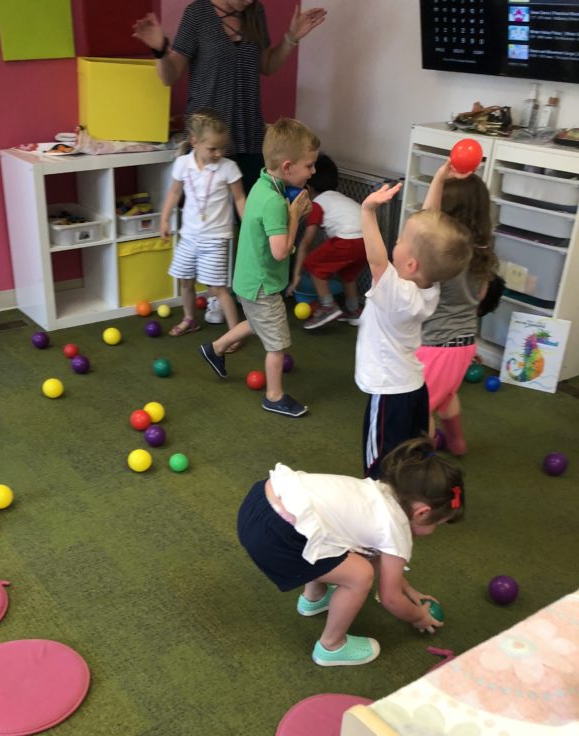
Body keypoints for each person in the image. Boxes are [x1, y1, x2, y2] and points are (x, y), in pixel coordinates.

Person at [132, 1, 327, 326]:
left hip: (249, 136)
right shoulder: (198, 14)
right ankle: (216, 293)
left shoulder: (255, 13)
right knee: (211, 222)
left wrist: (291, 38)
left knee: (254, 222)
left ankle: (256, 294)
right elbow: (170, 75)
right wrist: (159, 49)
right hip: (210, 142)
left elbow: (266, 64)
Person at [237, 436, 464, 667]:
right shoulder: (397, 528)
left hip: (261, 502)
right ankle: (331, 646)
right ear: (423, 513)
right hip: (276, 537)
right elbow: (390, 598)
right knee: (360, 575)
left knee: (335, 541)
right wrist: (419, 616)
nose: (433, 531)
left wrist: (408, 589)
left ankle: (314, 598)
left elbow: (381, 559)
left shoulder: (379, 492)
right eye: (438, 524)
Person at [199, 118, 318, 416]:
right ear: (287, 167)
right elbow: (280, 252)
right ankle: (274, 396)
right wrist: (295, 216)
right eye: (309, 165)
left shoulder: (262, 183)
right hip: (263, 284)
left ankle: (215, 349)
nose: (313, 171)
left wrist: (291, 213)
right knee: (277, 343)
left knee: (257, 323)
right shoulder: (275, 202)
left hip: (248, 280)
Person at [356, 181, 472, 479]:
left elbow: (376, 260)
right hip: (414, 386)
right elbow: (429, 225)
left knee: (380, 465)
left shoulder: (396, 294)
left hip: (389, 390)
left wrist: (368, 212)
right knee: (414, 451)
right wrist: (440, 179)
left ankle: (382, 498)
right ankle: (416, 489)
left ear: (410, 264)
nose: (394, 242)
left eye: (399, 241)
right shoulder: (428, 286)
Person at [417, 162, 498, 455]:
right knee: (447, 394)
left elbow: (424, 225)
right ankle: (456, 443)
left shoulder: (444, 255)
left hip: (435, 344)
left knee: (420, 407)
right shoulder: (482, 253)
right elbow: (481, 296)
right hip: (464, 345)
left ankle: (422, 462)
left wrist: (439, 177)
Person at [160, 109, 246, 336]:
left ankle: (234, 332)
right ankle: (190, 319)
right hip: (189, 236)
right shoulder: (182, 164)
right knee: (185, 281)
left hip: (215, 238)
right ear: (194, 142)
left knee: (217, 288)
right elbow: (174, 192)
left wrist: (247, 225)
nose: (219, 153)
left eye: (223, 148)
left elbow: (239, 198)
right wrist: (164, 219)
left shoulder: (228, 168)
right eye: (213, 148)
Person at [287, 154, 367, 329]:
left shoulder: (317, 204)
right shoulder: (339, 198)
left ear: (308, 188)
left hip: (348, 239)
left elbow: (306, 242)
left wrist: (297, 275)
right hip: (368, 240)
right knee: (348, 274)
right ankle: (354, 310)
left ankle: (327, 306)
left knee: (313, 264)